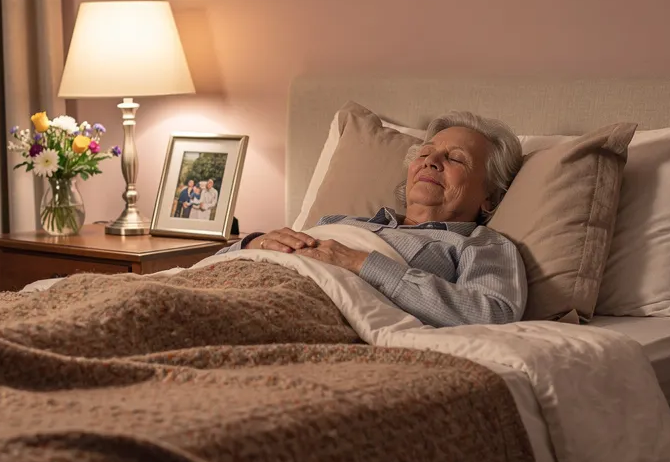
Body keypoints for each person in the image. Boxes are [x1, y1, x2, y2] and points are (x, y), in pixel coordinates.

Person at [218, 111, 527, 327]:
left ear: (490, 196)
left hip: (297, 307)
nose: (431, 161)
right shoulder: (340, 222)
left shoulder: (479, 245)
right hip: (232, 284)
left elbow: (492, 315)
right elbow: (215, 265)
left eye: (455, 158)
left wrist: (359, 261)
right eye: (424, 153)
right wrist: (254, 242)